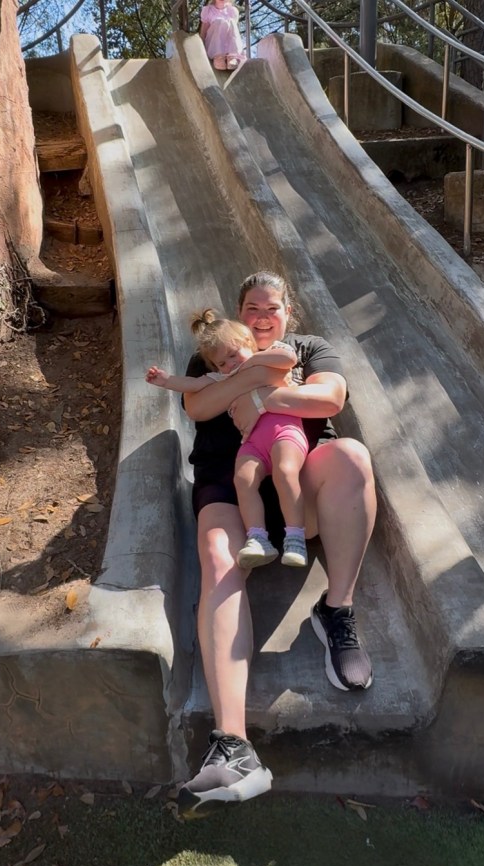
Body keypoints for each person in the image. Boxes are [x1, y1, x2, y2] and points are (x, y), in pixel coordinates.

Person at [176, 270, 377, 820]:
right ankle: (234, 748)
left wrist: (253, 389)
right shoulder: (215, 347)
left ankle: (336, 610)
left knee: (352, 456)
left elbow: (329, 399)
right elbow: (197, 408)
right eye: (252, 308)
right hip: (230, 483)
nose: (262, 317)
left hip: (298, 486)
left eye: (272, 308)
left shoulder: (308, 349)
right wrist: (258, 380)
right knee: (218, 558)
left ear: (289, 313)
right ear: (238, 313)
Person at [146, 309, 309, 569]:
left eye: (233, 355)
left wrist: (251, 362)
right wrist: (166, 381)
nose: (230, 364)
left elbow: (289, 358)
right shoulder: (224, 376)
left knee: (285, 471)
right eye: (222, 363)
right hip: (253, 442)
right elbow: (194, 385)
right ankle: (258, 538)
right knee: (242, 479)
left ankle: (295, 537)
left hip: (283, 431)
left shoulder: (268, 356)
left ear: (249, 342)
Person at [199, 0, 246, 72]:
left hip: (228, 46)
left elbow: (234, 33)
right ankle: (218, 57)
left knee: (231, 22)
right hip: (213, 45)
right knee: (219, 22)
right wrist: (201, 48)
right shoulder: (208, 10)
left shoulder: (232, 11)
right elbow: (203, 32)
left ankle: (232, 56)